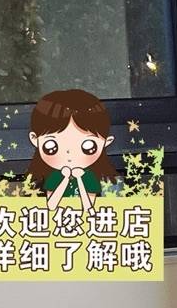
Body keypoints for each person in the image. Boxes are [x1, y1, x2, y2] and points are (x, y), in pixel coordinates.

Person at [27, 87, 118, 216]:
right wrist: (64, 179)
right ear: (35, 140)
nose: (69, 153)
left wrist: (80, 179)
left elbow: (88, 208)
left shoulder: (89, 177)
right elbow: (51, 205)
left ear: (106, 142)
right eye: (52, 146)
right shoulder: (54, 176)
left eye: (88, 146)